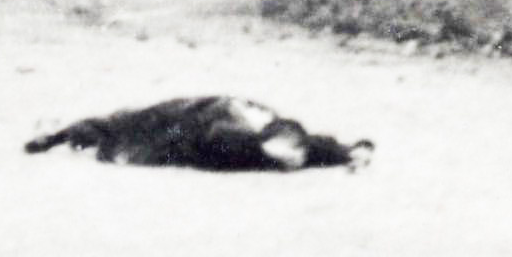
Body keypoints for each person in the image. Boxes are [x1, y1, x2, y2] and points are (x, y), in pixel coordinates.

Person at [26, 95, 370, 170]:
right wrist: (351, 151)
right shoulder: (281, 141)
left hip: (204, 120)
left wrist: (352, 152)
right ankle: (61, 134)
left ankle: (62, 134)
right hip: (211, 114)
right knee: (125, 125)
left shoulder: (259, 148)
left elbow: (317, 147)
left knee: (125, 129)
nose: (294, 159)